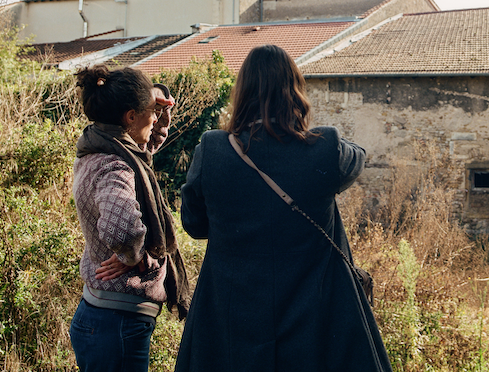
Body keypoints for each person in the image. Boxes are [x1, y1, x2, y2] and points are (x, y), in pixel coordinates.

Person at [175, 45, 392, 371]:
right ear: (294, 90)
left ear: (242, 91)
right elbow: (358, 157)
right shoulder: (324, 148)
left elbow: (194, 224)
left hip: (231, 324)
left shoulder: (213, 150)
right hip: (314, 326)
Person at [69, 64, 190, 372]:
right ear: (130, 117)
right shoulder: (116, 166)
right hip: (117, 324)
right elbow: (122, 231)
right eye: (151, 112)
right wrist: (131, 253)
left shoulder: (97, 149)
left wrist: (155, 110)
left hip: (103, 316)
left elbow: (144, 151)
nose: (156, 118)